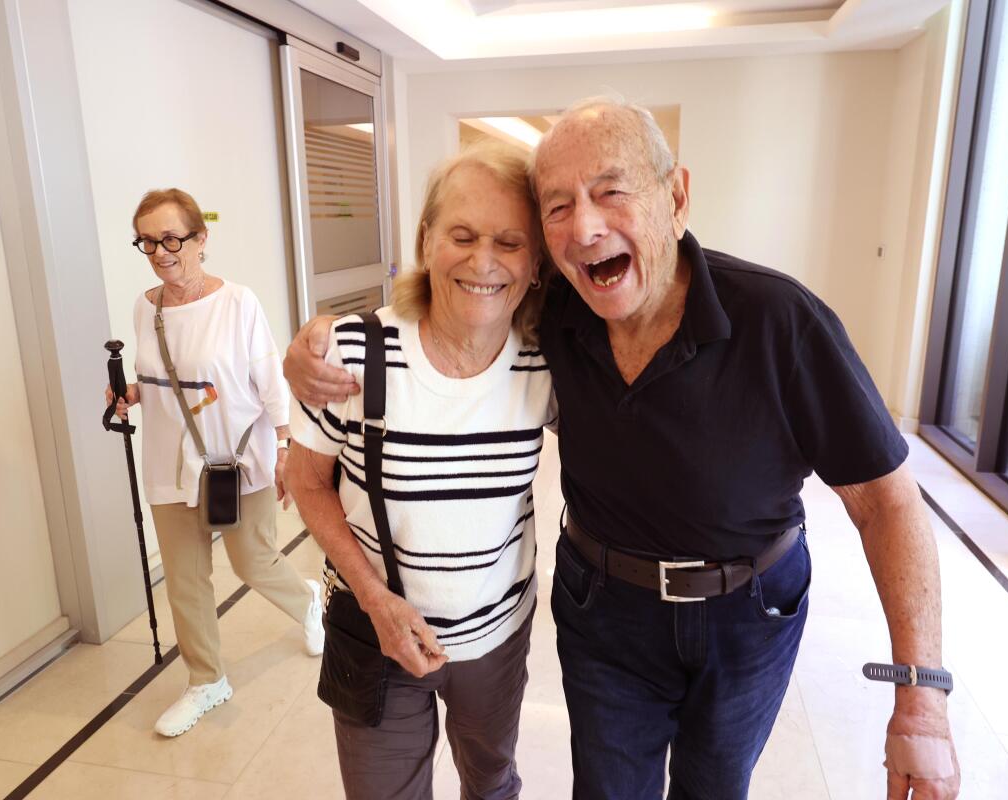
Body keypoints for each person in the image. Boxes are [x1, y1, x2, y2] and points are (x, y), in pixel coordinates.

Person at [285, 99, 960, 800]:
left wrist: (923, 696)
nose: (585, 226)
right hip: (606, 612)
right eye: (558, 206)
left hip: (749, 615)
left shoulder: (779, 321)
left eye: (611, 191)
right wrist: (311, 346)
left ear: (676, 197)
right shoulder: (557, 320)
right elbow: (443, 327)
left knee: (714, 788)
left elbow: (887, 503)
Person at [287, 143, 555, 800]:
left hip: (496, 635)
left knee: (491, 782)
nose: (484, 261)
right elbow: (305, 481)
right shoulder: (350, 354)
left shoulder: (547, 366)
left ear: (536, 261)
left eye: (509, 242)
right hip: (375, 630)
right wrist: (375, 601)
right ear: (427, 240)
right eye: (462, 235)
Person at [105, 188, 324, 738]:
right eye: (148, 241)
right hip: (168, 463)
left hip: (235, 457)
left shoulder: (237, 303)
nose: (160, 251)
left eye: (172, 238)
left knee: (252, 560)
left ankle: (309, 604)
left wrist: (284, 448)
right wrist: (131, 392)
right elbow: (167, 379)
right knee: (185, 579)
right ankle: (206, 680)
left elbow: (269, 379)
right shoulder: (144, 306)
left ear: (201, 240)